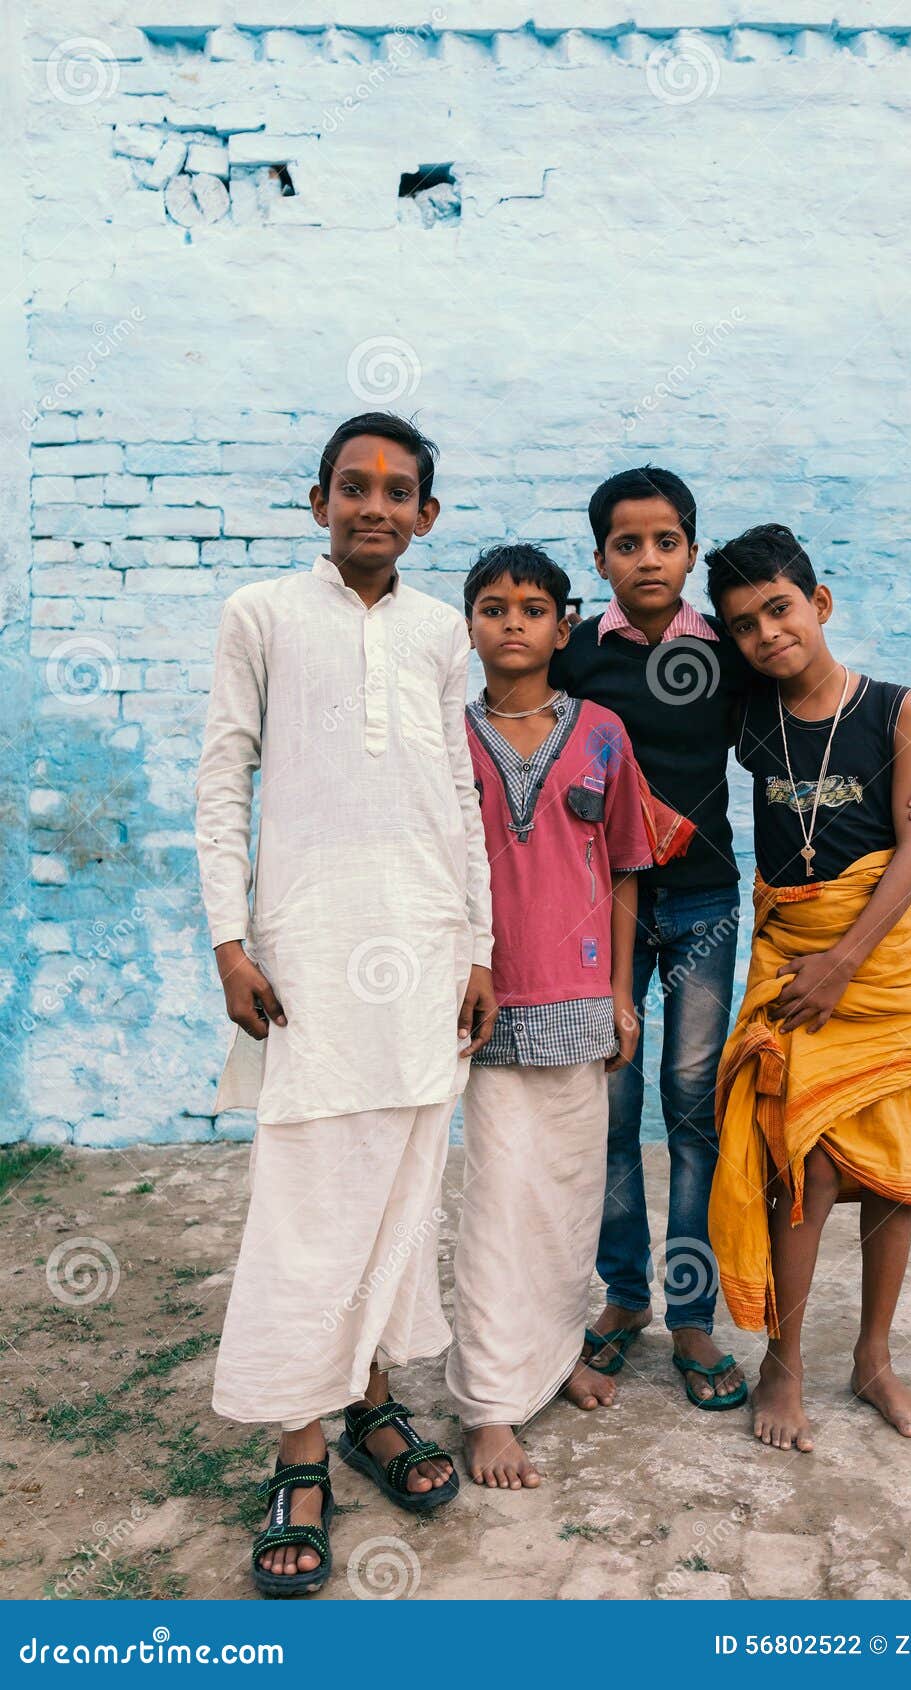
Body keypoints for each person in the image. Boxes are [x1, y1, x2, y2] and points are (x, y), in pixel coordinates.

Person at [549, 468, 911, 1411]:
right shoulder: (578, 656)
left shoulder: (733, 658)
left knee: (695, 1109)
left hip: (705, 907)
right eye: (626, 544)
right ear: (602, 557)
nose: (647, 559)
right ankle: (623, 1300)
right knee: (613, 1112)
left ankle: (693, 1316)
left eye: (665, 542)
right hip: (597, 913)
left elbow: (856, 712)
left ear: (690, 553)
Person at [195, 412, 497, 1596]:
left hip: (422, 948)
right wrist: (230, 936)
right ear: (317, 500)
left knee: (398, 1188)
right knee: (310, 1196)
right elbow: (224, 776)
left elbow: (461, 801)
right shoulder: (259, 616)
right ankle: (298, 1449)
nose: (375, 505)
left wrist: (476, 945)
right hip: (309, 949)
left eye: (399, 491)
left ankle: (371, 1404)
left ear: (426, 516)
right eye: (353, 486)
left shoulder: (436, 632)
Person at [706, 523, 911, 1454]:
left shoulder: (892, 710)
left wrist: (843, 962)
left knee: (890, 1174)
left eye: (779, 608)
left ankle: (874, 1359)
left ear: (819, 604)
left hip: (874, 964)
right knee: (799, 1163)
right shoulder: (747, 715)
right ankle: (783, 1363)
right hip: (786, 960)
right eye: (743, 624)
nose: (766, 633)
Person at [445, 544, 652, 1488]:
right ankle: (490, 1403)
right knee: (497, 1203)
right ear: (470, 626)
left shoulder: (602, 732)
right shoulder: (446, 734)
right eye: (493, 607)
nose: (513, 622)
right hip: (483, 1002)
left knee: (571, 1196)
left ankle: (560, 1350)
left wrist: (618, 995)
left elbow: (618, 872)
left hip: (578, 1000)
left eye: (533, 608)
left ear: (563, 628)